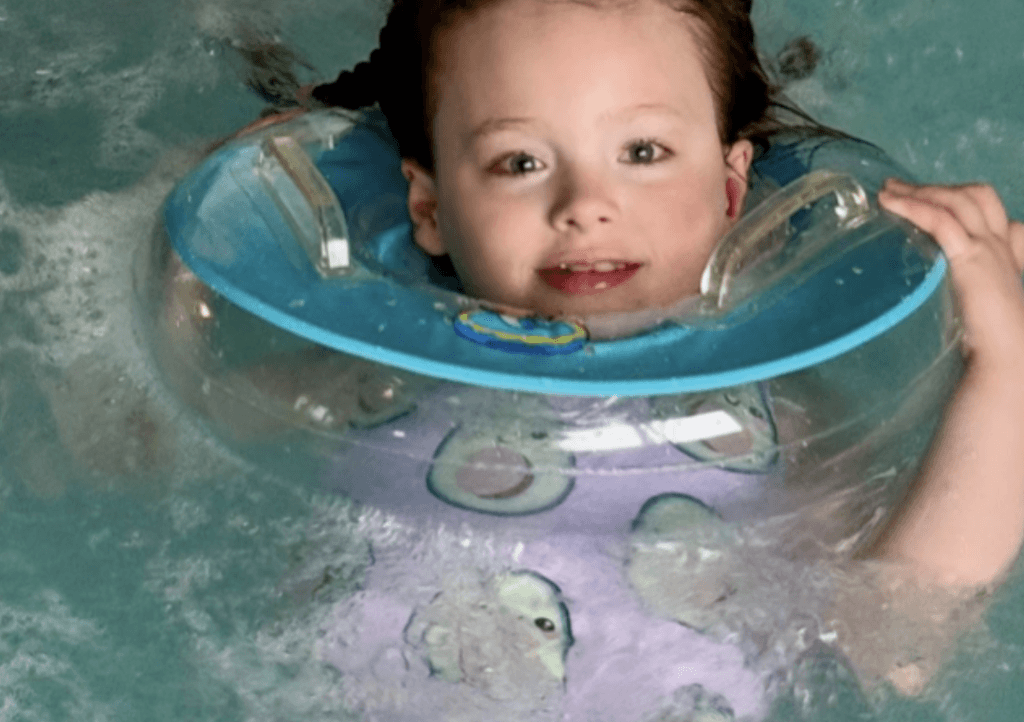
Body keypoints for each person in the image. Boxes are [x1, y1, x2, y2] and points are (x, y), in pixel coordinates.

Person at [231, 0, 1024, 700]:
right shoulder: (371, 379)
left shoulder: (788, 420)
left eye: (642, 152)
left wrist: (1005, 369)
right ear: (430, 206)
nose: (585, 207)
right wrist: (193, 249)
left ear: (728, 190)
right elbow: (131, 441)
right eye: (520, 162)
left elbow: (892, 639)